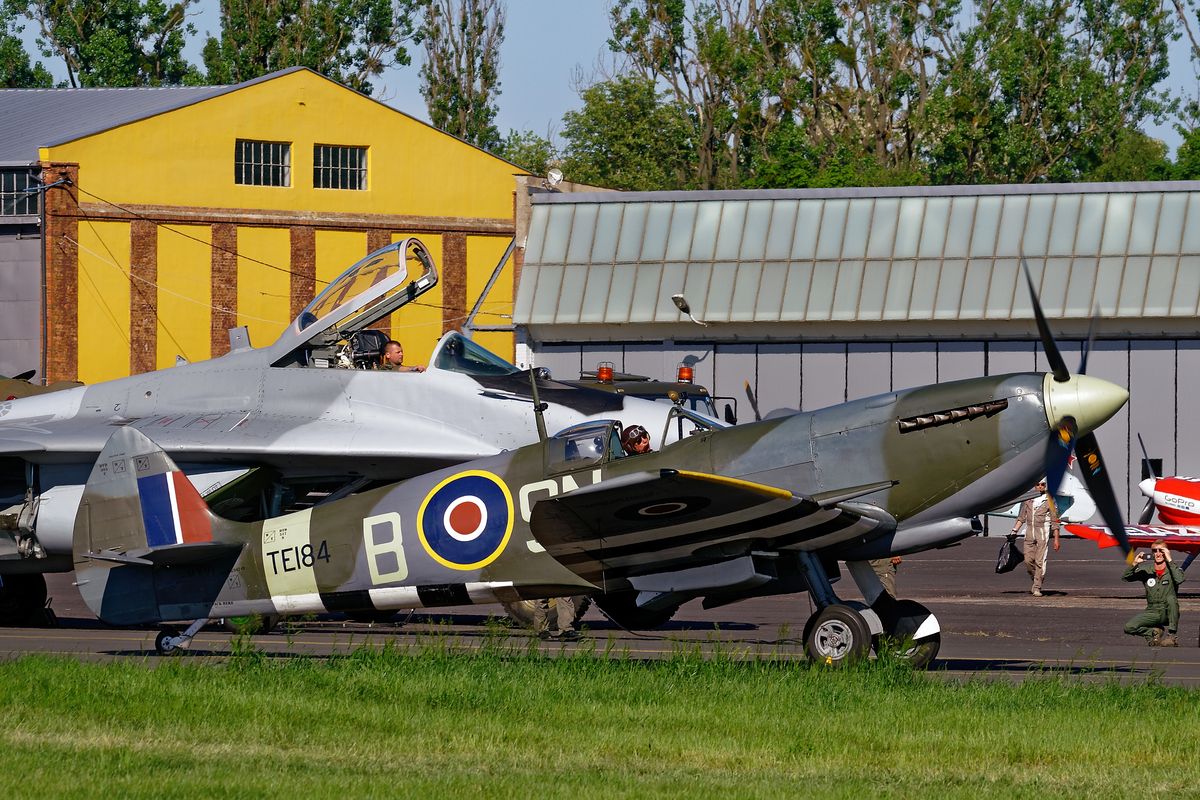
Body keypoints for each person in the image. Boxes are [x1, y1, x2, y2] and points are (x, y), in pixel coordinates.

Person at [1123, 539, 1184, 647]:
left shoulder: (1173, 569)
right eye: (1155, 551)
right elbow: (1125, 578)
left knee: (1171, 599)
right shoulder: (1146, 570)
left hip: (1168, 611)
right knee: (1129, 627)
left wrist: (1170, 559)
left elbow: (1179, 579)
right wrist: (1134, 564)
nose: (1158, 553)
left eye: (1161, 550)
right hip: (1153, 610)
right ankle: (1153, 633)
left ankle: (1172, 636)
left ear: (1166, 552)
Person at [1011, 479, 1060, 597]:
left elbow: (1055, 521)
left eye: (1042, 485)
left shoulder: (1050, 501)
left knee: (1039, 561)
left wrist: (1056, 539)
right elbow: (1021, 518)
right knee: (1028, 560)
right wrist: (1014, 531)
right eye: (1037, 485)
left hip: (1042, 533)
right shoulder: (1028, 500)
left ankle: (1037, 587)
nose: (1040, 487)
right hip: (1029, 533)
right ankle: (1036, 577)